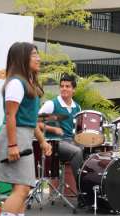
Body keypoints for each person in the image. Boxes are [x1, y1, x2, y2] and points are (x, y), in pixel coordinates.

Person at [0, 42, 52, 216]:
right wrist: (12, 145)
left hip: (22, 138)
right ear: (21, 58)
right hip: (14, 138)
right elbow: (10, 116)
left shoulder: (27, 83)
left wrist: (42, 141)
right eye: (33, 54)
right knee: (22, 189)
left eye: (37, 54)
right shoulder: (16, 83)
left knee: (23, 190)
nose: (38, 58)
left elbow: (30, 121)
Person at [38, 73, 83, 201]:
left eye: (67, 86)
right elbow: (36, 122)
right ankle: (81, 192)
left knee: (90, 150)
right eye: (62, 86)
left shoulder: (77, 107)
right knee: (77, 151)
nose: (64, 88)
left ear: (73, 90)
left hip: (72, 141)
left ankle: (92, 190)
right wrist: (54, 129)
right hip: (56, 144)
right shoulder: (51, 104)